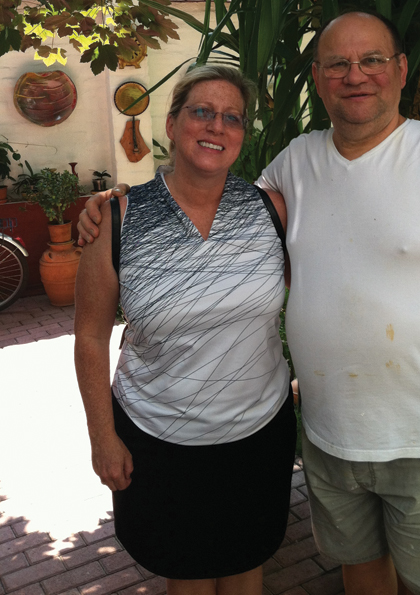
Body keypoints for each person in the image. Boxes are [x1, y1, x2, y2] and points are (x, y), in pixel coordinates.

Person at [79, 12, 420, 595]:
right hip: (326, 435)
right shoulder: (296, 164)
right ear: (318, 79)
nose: (356, 75)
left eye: (371, 60)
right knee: (360, 575)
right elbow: (213, 190)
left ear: (399, 71)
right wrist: (122, 201)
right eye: (338, 64)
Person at [74, 65, 297, 595]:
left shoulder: (271, 209)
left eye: (231, 117)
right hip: (159, 439)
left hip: (258, 434)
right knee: (189, 575)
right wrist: (102, 437)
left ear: (243, 135)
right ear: (172, 124)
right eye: (201, 112)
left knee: (247, 563)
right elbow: (88, 336)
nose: (216, 126)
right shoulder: (117, 219)